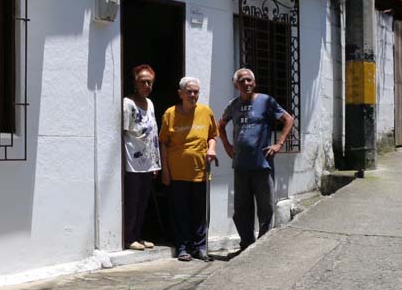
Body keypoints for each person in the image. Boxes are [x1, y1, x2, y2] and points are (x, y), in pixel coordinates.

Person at [218, 68, 295, 251]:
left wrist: (279, 144)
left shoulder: (266, 101)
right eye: (242, 81)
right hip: (241, 165)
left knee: (265, 208)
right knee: (241, 209)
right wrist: (227, 146)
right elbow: (220, 125)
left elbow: (288, 119)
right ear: (236, 85)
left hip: (262, 164)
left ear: (254, 83)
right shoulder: (233, 105)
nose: (246, 84)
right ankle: (246, 245)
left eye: (249, 80)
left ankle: (262, 248)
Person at [160, 77, 218, 262]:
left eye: (196, 92)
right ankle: (183, 247)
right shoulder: (170, 114)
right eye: (189, 91)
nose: (193, 95)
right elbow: (163, 143)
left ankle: (199, 247)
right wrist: (165, 170)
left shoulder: (206, 112)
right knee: (180, 212)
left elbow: (212, 135)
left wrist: (211, 149)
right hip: (177, 173)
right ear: (180, 94)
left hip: (200, 171)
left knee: (199, 213)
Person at [122, 64, 161, 251]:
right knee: (132, 201)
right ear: (135, 83)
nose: (146, 85)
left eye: (150, 82)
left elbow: (153, 134)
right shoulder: (128, 103)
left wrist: (155, 163)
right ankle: (129, 237)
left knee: (143, 202)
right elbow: (124, 132)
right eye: (143, 82)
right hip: (132, 161)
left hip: (148, 162)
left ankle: (138, 235)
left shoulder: (150, 103)